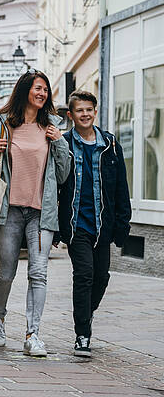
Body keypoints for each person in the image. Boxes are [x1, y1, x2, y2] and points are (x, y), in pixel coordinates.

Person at [0, 69, 71, 357]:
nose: (42, 94)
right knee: (6, 273)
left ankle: (32, 334)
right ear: (25, 90)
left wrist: (60, 142)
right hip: (9, 212)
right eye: (37, 88)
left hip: (41, 213)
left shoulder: (51, 127)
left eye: (45, 90)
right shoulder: (4, 124)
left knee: (38, 274)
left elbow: (63, 175)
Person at [57, 90, 131, 358]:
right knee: (84, 276)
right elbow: (55, 186)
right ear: (71, 115)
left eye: (89, 109)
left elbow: (121, 186)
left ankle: (85, 316)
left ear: (95, 112)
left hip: (104, 225)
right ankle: (82, 335)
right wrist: (55, 227)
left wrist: (123, 223)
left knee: (101, 278)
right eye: (80, 110)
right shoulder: (64, 143)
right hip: (77, 226)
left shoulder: (110, 144)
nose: (85, 114)